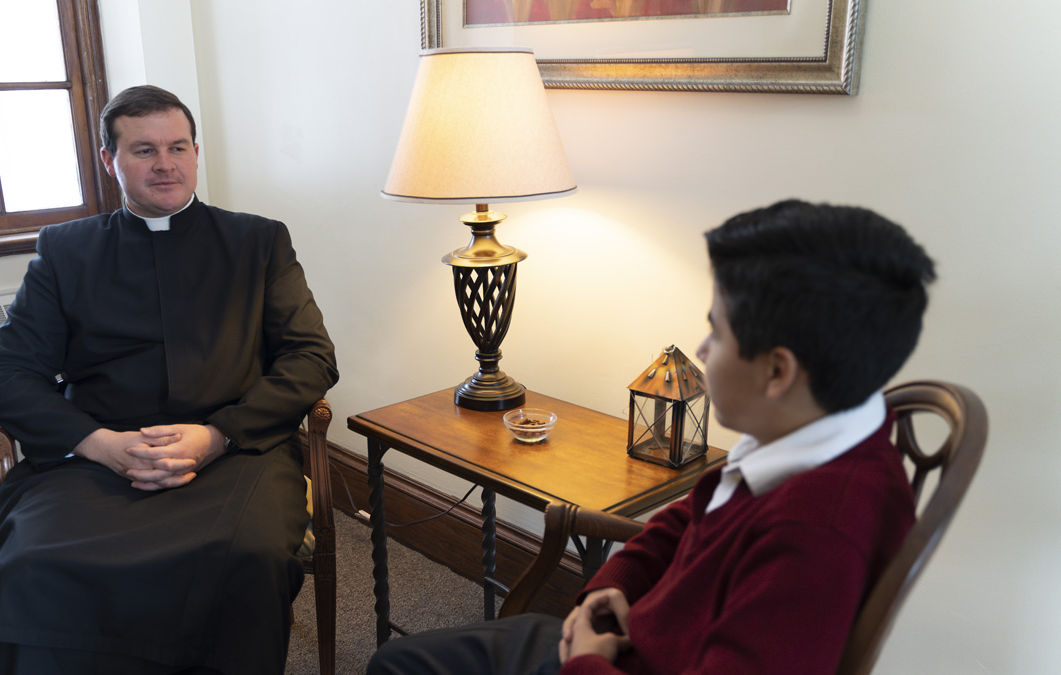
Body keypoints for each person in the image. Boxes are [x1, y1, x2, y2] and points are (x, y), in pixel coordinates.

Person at [367, 199, 936, 675]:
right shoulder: (805, 434)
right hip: (629, 642)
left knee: (396, 668)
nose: (705, 350)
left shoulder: (818, 533)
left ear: (777, 373)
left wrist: (588, 661)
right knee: (401, 662)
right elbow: (685, 520)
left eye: (716, 330)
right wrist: (610, 586)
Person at [0, 85, 338, 675]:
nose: (166, 164)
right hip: (95, 455)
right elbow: (5, 372)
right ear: (109, 160)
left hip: (234, 453)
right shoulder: (66, 250)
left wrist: (217, 435)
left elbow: (310, 356)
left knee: (247, 556)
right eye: (143, 150)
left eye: (178, 147)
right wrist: (98, 444)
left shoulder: (258, 241)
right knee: (32, 565)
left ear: (196, 152)